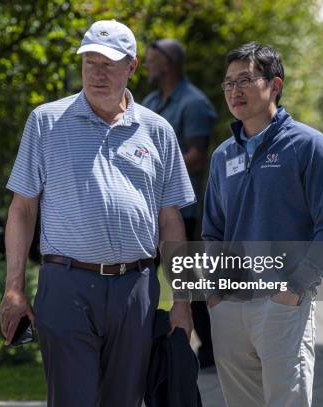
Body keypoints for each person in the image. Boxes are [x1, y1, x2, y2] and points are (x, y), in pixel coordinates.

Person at [0, 20, 196, 407]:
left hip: (136, 287)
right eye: (90, 62)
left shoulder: (157, 130)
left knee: (124, 401)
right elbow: (22, 209)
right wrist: (14, 286)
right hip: (65, 283)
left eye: (108, 64)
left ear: (132, 67)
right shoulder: (46, 122)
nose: (97, 73)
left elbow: (171, 221)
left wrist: (183, 302)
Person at [202, 42, 323, 407]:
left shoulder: (310, 146)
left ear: (275, 85)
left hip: (283, 304)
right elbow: (212, 230)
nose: (234, 91)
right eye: (228, 83)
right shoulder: (224, 155)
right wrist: (213, 295)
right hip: (229, 309)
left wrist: (293, 290)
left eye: (245, 80)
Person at [143, 38, 217, 368]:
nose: (145, 66)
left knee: (187, 282)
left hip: (182, 212)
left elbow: (198, 158)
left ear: (168, 64)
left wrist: (153, 170)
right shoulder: (150, 100)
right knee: (148, 278)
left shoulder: (194, 103)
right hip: (148, 210)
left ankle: (213, 351)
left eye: (151, 60)